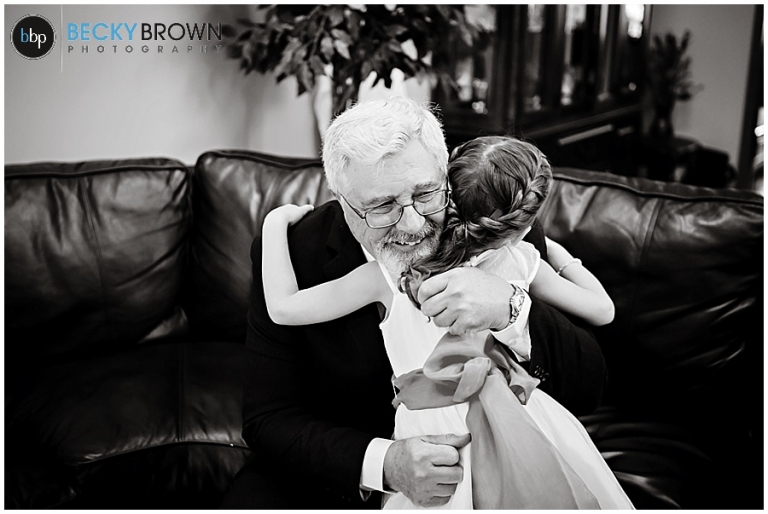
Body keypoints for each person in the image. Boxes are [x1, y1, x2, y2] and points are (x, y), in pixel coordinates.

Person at [221, 96, 608, 509]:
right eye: (382, 206)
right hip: (336, 476)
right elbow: (269, 418)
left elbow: (588, 386)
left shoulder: (494, 223)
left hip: (500, 465)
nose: (411, 224)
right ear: (340, 198)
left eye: (425, 194)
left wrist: (512, 309)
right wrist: (385, 464)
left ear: (446, 174)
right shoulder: (295, 255)